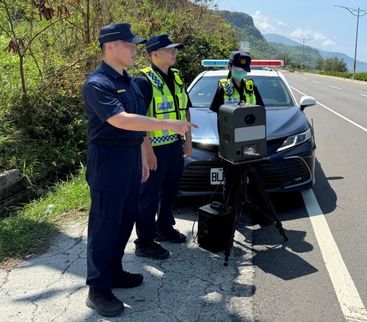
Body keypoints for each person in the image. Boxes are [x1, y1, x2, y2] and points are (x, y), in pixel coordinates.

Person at [82, 23, 193, 318]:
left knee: (124, 218)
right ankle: (97, 288)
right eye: (128, 44)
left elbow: (140, 122)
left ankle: (114, 271)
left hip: (130, 156)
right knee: (105, 222)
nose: (134, 49)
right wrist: (170, 125)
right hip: (108, 160)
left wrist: (144, 153)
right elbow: (122, 120)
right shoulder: (97, 83)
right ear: (110, 47)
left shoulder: (128, 81)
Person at [133, 34, 192, 260]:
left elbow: (185, 110)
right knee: (147, 198)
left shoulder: (177, 77)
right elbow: (138, 118)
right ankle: (145, 242)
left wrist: (187, 139)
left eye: (175, 49)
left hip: (175, 147)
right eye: (169, 50)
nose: (174, 53)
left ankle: (164, 228)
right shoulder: (143, 80)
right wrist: (146, 152)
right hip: (153, 149)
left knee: (170, 192)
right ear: (154, 53)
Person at [209, 50, 264, 199]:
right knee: (231, 180)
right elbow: (217, 111)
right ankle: (230, 213)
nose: (242, 73)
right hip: (231, 144)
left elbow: (260, 110)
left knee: (254, 179)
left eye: (245, 71)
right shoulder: (223, 87)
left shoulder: (251, 87)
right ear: (230, 67)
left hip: (251, 141)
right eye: (238, 70)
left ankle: (255, 213)